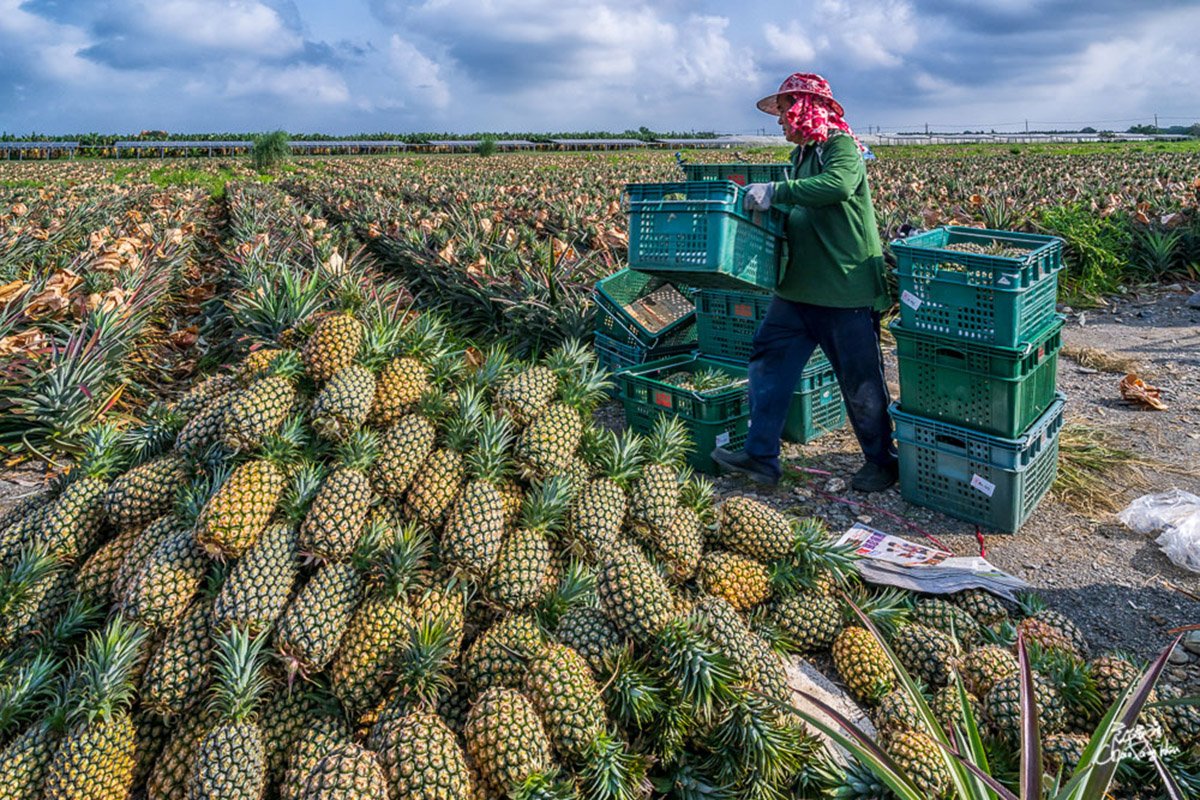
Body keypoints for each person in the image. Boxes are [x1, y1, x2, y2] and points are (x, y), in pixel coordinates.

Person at [711, 72, 898, 492]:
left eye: (783, 112)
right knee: (768, 362)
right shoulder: (800, 157)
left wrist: (778, 193)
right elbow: (800, 206)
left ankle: (881, 461)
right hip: (797, 290)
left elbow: (839, 185)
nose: (779, 122)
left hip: (843, 287)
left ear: (803, 108)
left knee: (859, 380)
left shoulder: (840, 145)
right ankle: (761, 457)